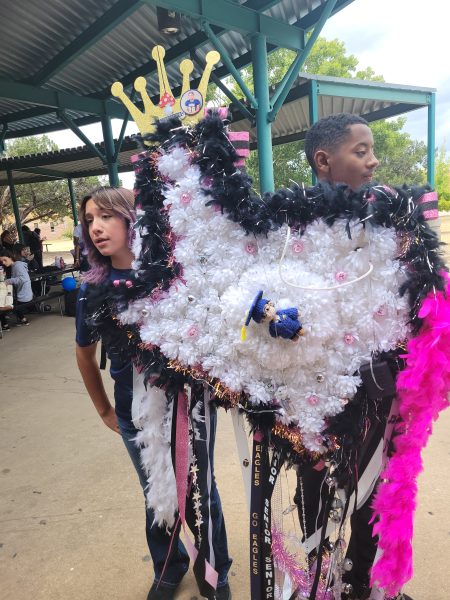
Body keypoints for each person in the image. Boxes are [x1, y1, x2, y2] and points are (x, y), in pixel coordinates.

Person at [75, 186, 231, 600]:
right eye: (89, 219)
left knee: (201, 490)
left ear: (131, 220)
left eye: (105, 217)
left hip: (188, 407)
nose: (96, 227)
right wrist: (105, 410)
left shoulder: (171, 274)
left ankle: (215, 567)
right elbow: (85, 355)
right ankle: (168, 565)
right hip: (133, 415)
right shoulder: (93, 289)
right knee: (154, 491)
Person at [294, 113, 413, 600]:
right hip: (314, 395)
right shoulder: (290, 227)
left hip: (379, 390)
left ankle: (361, 585)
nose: (374, 161)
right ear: (324, 161)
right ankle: (319, 582)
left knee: (374, 494)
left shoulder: (388, 225)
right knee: (317, 491)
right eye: (361, 151)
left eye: (371, 151)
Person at [0, 248, 33, 326]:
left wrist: (8, 281)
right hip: (26, 295)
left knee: (3, 303)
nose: (3, 263)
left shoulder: (17, 266)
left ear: (10, 257)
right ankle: (23, 319)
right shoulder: (16, 265)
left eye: (5, 260)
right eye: (2, 261)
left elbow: (23, 279)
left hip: (23, 297)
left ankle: (5, 325)